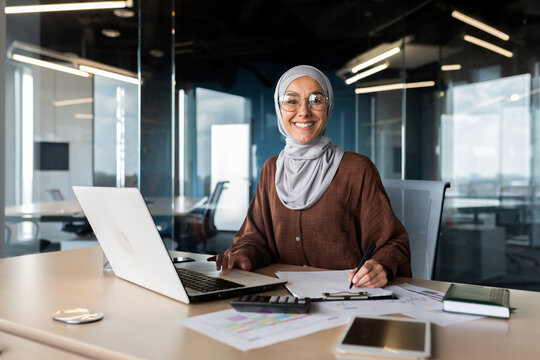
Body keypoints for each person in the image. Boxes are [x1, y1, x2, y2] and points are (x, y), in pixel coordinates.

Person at [208, 65, 411, 288]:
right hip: (282, 298)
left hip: (345, 298)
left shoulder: (357, 169)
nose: (304, 111)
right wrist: (244, 255)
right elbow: (255, 238)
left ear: (328, 106)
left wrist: (380, 266)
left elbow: (393, 243)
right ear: (279, 108)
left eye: (316, 99)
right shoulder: (271, 169)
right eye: (291, 100)